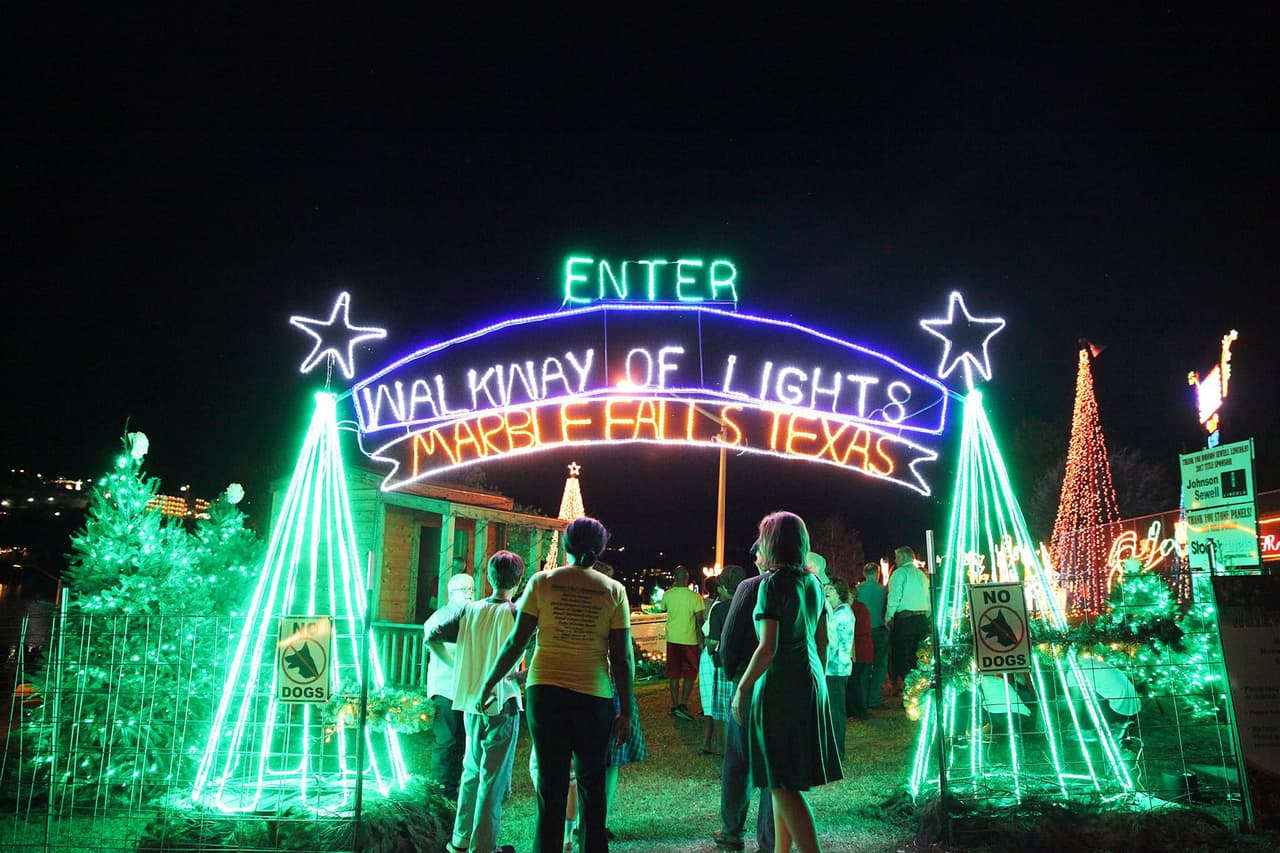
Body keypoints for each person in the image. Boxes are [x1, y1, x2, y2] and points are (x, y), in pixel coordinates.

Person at [480, 517, 633, 853]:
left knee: (551, 787)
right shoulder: (613, 590)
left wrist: (489, 682)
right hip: (594, 697)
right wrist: (627, 711)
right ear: (600, 548)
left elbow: (516, 642)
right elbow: (621, 658)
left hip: (545, 693)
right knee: (593, 787)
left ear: (566, 546)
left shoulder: (542, 582)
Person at [733, 510, 842, 853]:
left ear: (773, 544)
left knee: (781, 784)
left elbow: (767, 649)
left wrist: (742, 688)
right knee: (782, 780)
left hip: (781, 686)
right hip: (810, 681)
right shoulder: (813, 584)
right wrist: (816, 680)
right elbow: (821, 641)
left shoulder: (772, 585)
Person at [427, 551, 526, 853]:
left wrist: (456, 667)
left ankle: (460, 838)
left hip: (470, 700)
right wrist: (521, 677)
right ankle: (484, 846)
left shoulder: (471, 611)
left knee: (470, 770)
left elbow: (432, 636)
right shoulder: (515, 613)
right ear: (518, 580)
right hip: (501, 701)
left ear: (489, 578)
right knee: (492, 780)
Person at [713, 543, 775, 853]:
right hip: (787, 686)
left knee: (739, 759)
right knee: (775, 768)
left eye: (757, 554)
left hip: (749, 683)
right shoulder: (810, 586)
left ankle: (731, 830)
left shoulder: (751, 588)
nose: (754, 559)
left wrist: (734, 675)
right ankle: (771, 840)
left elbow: (728, 642)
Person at [423, 571, 476, 799]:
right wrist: (459, 666)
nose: (468, 594)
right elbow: (433, 644)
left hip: (467, 690)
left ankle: (456, 789)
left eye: (471, 589)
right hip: (444, 689)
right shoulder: (438, 618)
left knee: (464, 741)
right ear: (450, 592)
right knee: (446, 741)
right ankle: (440, 789)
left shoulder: (474, 617)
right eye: (463, 589)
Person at [699, 567, 744, 756]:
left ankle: (726, 756)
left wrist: (710, 651)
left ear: (723, 588)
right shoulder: (751, 605)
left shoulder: (719, 608)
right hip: (747, 668)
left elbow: (712, 642)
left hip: (724, 667)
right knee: (742, 713)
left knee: (721, 714)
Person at [660, 564, 705, 721]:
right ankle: (683, 704)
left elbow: (662, 608)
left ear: (674, 578)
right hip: (689, 640)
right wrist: (701, 640)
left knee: (673, 673)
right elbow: (700, 620)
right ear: (687, 578)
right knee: (690, 673)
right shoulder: (695, 597)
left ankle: (674, 704)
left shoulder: (667, 595)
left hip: (672, 639)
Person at [886, 545, 931, 695]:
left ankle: (910, 693)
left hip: (905, 621)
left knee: (902, 657)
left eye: (897, 557)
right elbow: (928, 597)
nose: (895, 560)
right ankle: (921, 691)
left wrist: (888, 615)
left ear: (904, 557)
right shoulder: (922, 575)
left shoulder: (900, 573)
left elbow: (894, 596)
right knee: (919, 657)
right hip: (921, 620)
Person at [822, 578, 854, 762]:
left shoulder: (841, 614)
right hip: (835, 668)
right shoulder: (838, 612)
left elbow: (831, 640)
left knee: (835, 711)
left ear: (839, 592)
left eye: (831, 589)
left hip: (836, 669)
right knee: (834, 710)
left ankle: (836, 750)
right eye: (826, 587)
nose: (827, 591)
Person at [855, 562, 889, 709]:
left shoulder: (858, 590)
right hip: (879, 629)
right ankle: (874, 698)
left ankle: (863, 699)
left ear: (864, 573)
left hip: (863, 632)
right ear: (877, 573)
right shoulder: (883, 590)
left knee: (865, 666)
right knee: (880, 666)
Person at [846, 586, 874, 721]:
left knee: (856, 681)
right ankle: (855, 710)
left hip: (859, 649)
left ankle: (859, 711)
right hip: (857, 649)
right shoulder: (855, 608)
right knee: (855, 681)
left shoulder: (859, 609)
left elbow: (859, 629)